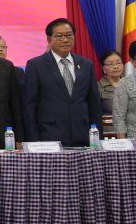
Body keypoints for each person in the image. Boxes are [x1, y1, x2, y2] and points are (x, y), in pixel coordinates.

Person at [24, 18, 102, 147]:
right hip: (49, 136)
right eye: (59, 36)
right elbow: (30, 106)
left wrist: (97, 137)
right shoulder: (36, 65)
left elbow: (94, 104)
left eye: (69, 35)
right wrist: (33, 140)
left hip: (82, 134)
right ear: (49, 39)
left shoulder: (86, 64)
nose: (65, 40)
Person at [97, 50, 124, 135]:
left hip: (132, 131)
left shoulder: (130, 85)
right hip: (109, 132)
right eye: (111, 64)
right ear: (103, 68)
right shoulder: (97, 87)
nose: (116, 67)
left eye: (118, 63)